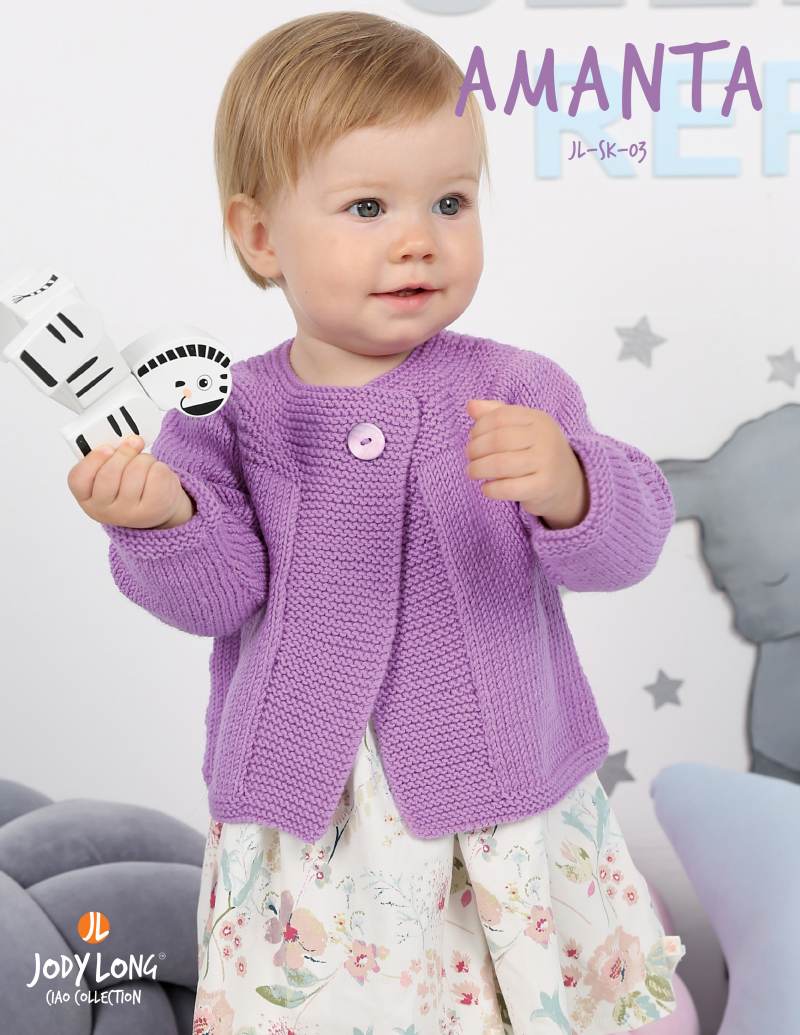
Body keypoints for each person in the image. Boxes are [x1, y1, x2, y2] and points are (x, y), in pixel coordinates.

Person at [67, 11, 686, 1033]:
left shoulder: (515, 388)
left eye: (450, 201)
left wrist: (571, 483)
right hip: (311, 821)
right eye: (366, 206)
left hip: (499, 805)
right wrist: (162, 519)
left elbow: (631, 543)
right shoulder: (226, 410)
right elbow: (218, 595)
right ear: (260, 236)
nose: (417, 239)